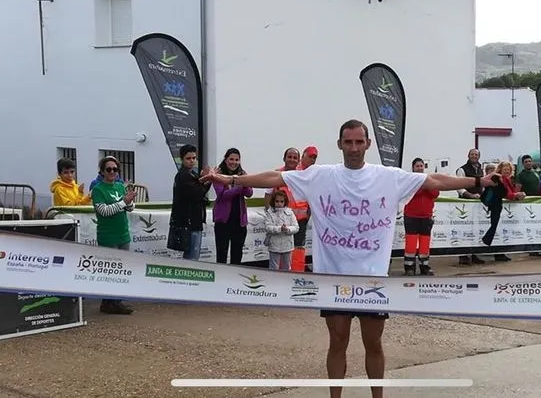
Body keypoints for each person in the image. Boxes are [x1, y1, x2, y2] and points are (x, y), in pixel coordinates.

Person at [201, 119, 497, 398]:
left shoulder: (388, 177)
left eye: (359, 142)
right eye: (348, 142)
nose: (354, 148)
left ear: (368, 143)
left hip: (373, 280)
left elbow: (433, 180)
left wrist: (479, 180)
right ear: (339, 144)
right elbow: (274, 177)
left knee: (374, 344)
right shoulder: (320, 175)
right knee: (337, 343)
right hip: (333, 279)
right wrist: (230, 179)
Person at [92, 155, 137, 315]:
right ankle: (108, 302)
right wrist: (124, 202)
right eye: (108, 169)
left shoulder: (119, 186)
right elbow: (104, 211)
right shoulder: (98, 189)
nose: (112, 172)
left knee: (121, 269)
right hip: (108, 235)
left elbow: (130, 208)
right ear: (102, 171)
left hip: (122, 233)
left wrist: (129, 202)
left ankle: (116, 301)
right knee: (110, 270)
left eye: (115, 169)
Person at [170, 144, 211, 261]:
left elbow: (200, 191)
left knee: (193, 255)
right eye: (188, 158)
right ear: (182, 159)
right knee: (191, 258)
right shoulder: (182, 176)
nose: (192, 161)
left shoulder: (192, 174)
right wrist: (207, 179)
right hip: (189, 223)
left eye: (194, 158)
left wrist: (206, 179)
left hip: (194, 221)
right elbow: (197, 193)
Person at [212, 148, 254, 265]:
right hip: (223, 222)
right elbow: (223, 195)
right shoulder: (218, 175)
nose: (234, 162)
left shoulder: (242, 174)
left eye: (237, 160)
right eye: (231, 159)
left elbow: (249, 193)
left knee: (237, 255)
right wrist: (239, 184)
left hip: (239, 222)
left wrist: (244, 182)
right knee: (221, 255)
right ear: (226, 160)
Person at [402, 158, 439, 276]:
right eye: (417, 166)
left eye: (421, 166)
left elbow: (435, 193)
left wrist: (425, 187)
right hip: (411, 216)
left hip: (426, 216)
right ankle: (409, 267)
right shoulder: (409, 180)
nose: (419, 168)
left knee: (425, 243)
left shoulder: (430, 179)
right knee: (411, 243)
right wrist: (422, 187)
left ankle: (425, 266)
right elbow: (408, 194)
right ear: (413, 168)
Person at [264, 189, 299, 270]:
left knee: (286, 267)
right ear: (273, 201)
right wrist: (280, 229)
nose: (279, 203)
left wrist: (287, 229)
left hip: (287, 245)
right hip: (274, 245)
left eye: (281, 201)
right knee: (273, 268)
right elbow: (268, 227)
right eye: (277, 201)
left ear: (285, 202)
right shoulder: (269, 212)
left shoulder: (290, 212)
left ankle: (285, 278)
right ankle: (273, 278)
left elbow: (296, 227)